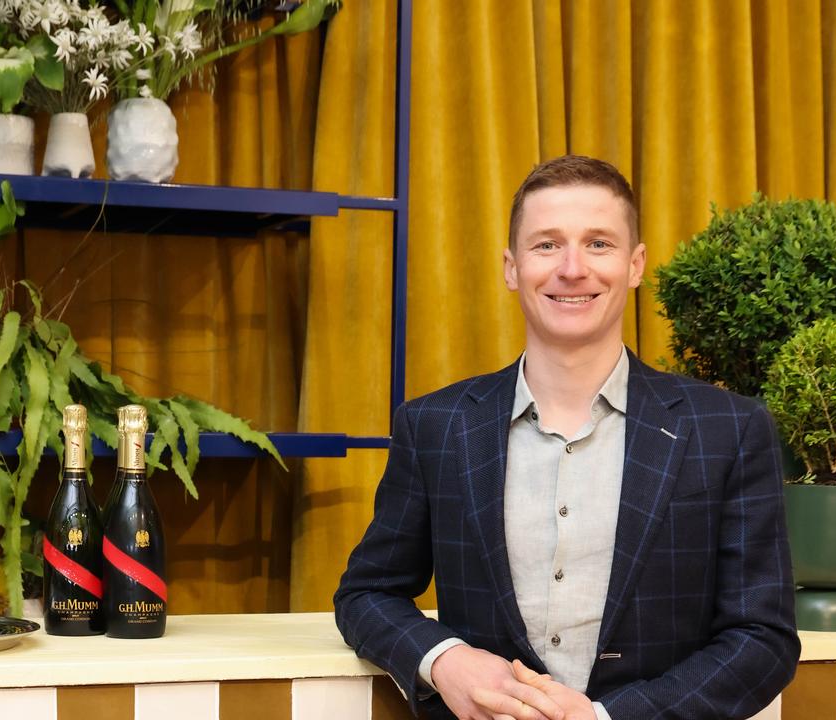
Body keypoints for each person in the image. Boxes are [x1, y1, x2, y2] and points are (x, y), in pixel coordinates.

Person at [334, 155, 800, 720]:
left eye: (599, 244)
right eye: (547, 244)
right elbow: (367, 594)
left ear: (635, 264)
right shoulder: (436, 425)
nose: (573, 268)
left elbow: (762, 638)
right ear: (511, 267)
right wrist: (445, 659)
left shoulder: (729, 428)